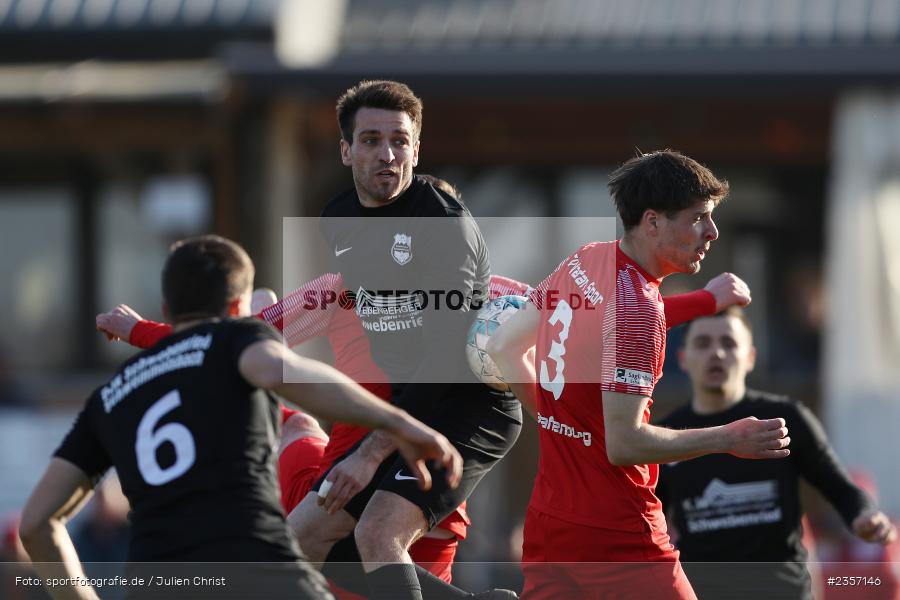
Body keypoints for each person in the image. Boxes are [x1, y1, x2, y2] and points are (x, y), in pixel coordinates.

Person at [19, 235, 462, 600]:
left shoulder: (110, 395)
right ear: (237, 311)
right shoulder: (236, 340)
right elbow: (285, 372)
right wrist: (398, 423)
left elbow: (37, 524)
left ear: (168, 310)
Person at [487, 150, 791, 600]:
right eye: (698, 218)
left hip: (549, 523)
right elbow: (625, 443)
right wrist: (729, 437)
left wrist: (559, 420)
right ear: (652, 222)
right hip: (616, 534)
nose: (712, 232)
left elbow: (504, 348)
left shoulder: (585, 260)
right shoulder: (637, 312)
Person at [656, 306, 898, 600]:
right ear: (683, 358)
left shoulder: (785, 419)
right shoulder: (666, 436)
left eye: (729, 343)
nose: (716, 353)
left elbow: (841, 488)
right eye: (703, 343)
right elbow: (647, 519)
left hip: (782, 591)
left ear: (751, 358)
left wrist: (864, 516)